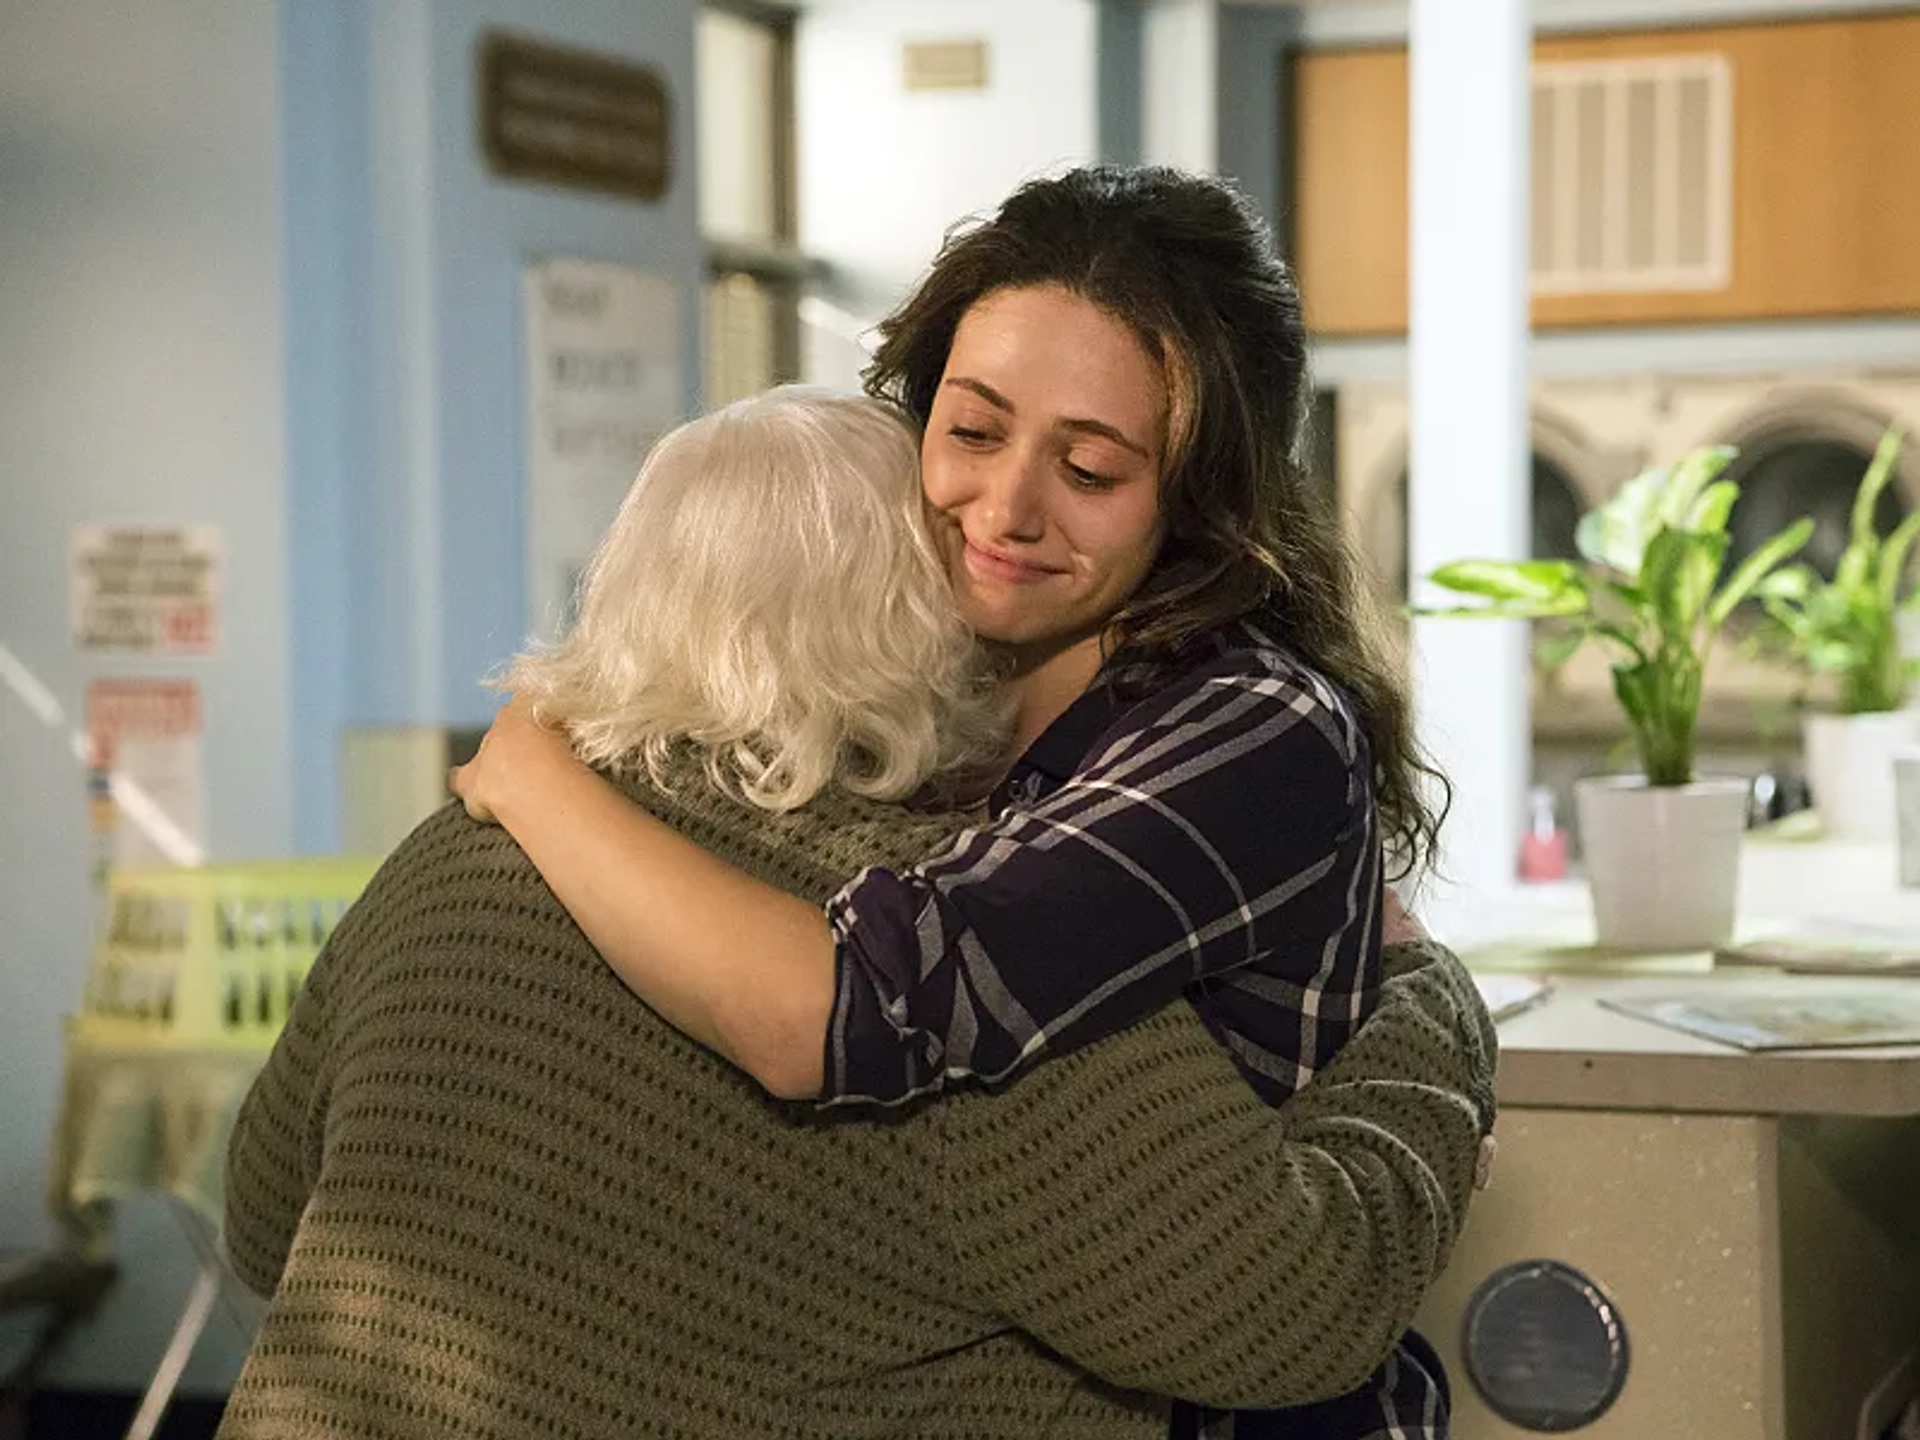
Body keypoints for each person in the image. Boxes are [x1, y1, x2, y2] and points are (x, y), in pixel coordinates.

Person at [220, 388, 1496, 1440]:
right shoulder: (964, 960)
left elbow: (266, 1218)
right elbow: (1296, 1305)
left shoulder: (457, 853)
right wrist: (1426, 1006)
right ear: (918, 618)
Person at [452, 166, 1465, 1433]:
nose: (1005, 509)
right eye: (972, 432)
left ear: (1201, 501)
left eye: (1090, 470)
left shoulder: (1250, 729)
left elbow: (850, 1009)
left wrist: (533, 775)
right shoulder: (910, 682)